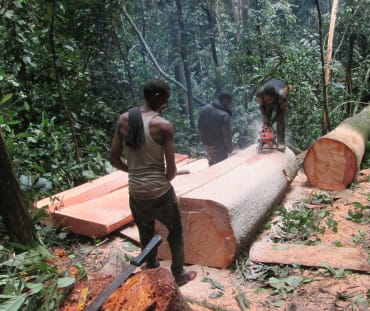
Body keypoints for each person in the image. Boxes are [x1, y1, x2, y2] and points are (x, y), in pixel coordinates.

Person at [110, 79, 196, 286]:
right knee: (175, 232)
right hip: (159, 192)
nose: (166, 103)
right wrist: (161, 181)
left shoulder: (123, 120)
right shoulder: (163, 126)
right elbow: (172, 169)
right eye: (166, 98)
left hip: (136, 191)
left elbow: (113, 159)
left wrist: (134, 173)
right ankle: (178, 274)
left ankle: (152, 269)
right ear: (157, 96)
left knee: (146, 231)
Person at [198, 91, 233, 166]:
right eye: (230, 102)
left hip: (208, 148)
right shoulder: (224, 115)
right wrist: (230, 150)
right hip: (220, 150)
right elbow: (226, 136)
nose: (230, 105)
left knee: (212, 167)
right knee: (222, 170)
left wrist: (205, 145)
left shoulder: (205, 108)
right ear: (225, 100)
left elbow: (200, 128)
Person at [256, 78, 289, 149]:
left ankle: (281, 142)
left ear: (274, 96)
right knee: (267, 119)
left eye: (269, 100)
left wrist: (273, 120)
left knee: (280, 121)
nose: (267, 102)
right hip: (270, 82)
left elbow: (283, 111)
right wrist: (265, 118)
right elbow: (261, 106)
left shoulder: (282, 95)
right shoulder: (259, 94)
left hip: (284, 86)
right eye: (266, 100)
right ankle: (266, 139)